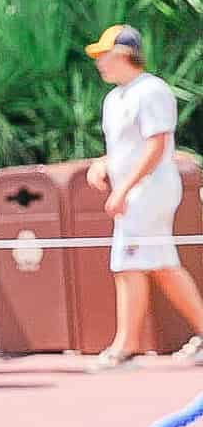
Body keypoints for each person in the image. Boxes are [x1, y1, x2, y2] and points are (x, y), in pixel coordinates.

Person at [83, 23, 203, 368]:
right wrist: (102, 163)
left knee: (127, 265)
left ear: (123, 54)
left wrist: (123, 188)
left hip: (149, 192)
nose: (100, 62)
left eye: (104, 55)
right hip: (135, 192)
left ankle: (125, 348)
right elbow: (127, 146)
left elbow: (157, 144)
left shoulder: (151, 90)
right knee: (163, 265)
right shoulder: (115, 97)